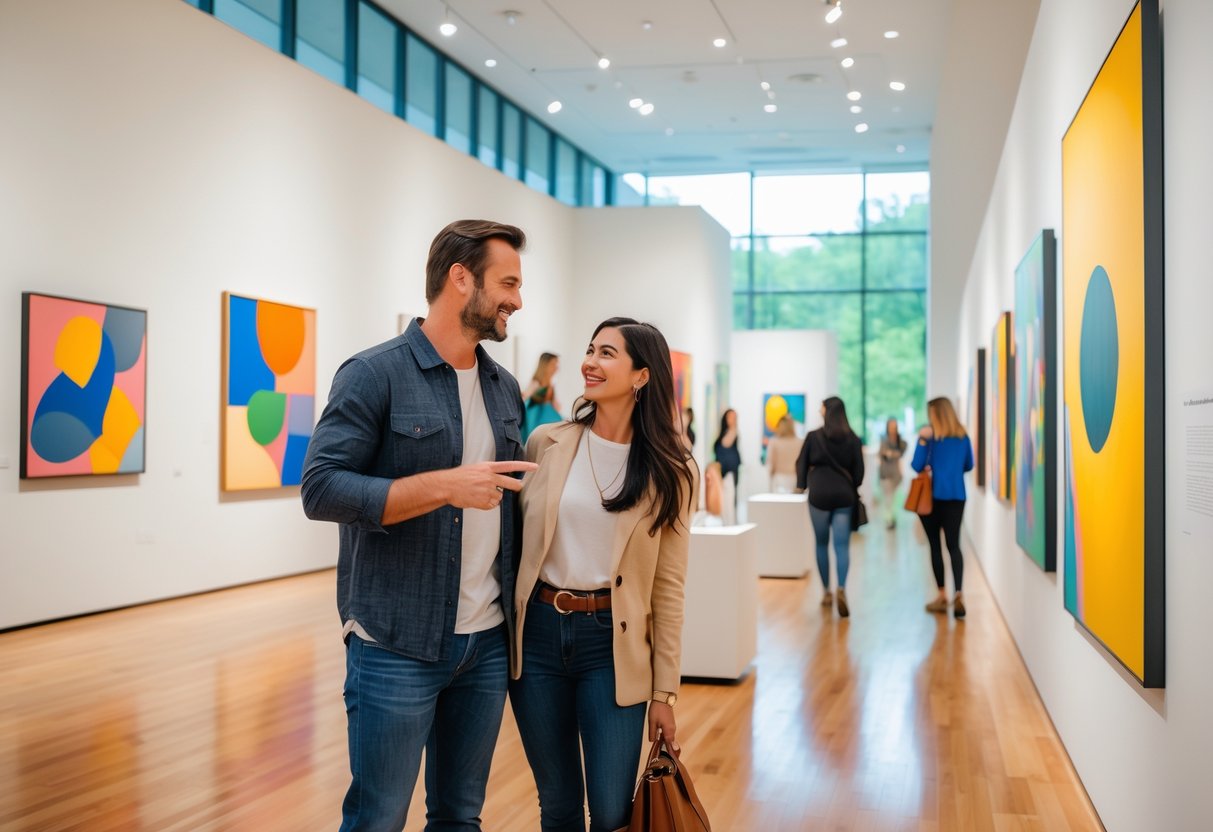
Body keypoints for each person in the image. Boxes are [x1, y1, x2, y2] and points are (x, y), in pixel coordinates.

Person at [300, 219, 538, 832]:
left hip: (484, 644)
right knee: (378, 817)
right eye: (507, 282)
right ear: (461, 279)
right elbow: (321, 488)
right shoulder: (373, 373)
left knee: (460, 817)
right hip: (394, 643)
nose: (517, 298)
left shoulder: (504, 388)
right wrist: (444, 486)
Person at [510, 317, 698, 832]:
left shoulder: (672, 470)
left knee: (613, 811)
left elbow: (670, 589)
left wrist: (665, 694)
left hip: (611, 648)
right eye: (590, 350)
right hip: (540, 637)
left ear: (641, 375)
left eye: (607, 354)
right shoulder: (546, 442)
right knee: (559, 805)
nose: (590, 363)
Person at [795, 396, 864, 618]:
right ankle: (841, 588)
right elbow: (859, 473)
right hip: (844, 497)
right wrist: (851, 484)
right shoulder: (853, 438)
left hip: (819, 496)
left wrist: (802, 485)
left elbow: (801, 463)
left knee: (821, 544)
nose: (819, 410)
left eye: (821, 407)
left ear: (827, 411)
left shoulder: (814, 437)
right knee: (842, 546)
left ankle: (826, 592)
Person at [912, 397, 975, 620]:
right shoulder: (963, 438)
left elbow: (916, 466)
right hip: (957, 497)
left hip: (933, 499)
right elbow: (969, 465)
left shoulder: (931, 439)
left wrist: (921, 440)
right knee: (953, 546)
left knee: (935, 547)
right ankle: (959, 593)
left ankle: (942, 595)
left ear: (937, 415)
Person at [521, 352, 562, 442]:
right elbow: (524, 397)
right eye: (553, 364)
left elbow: (556, 407)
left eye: (557, 364)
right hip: (535, 421)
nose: (556, 367)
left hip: (547, 419)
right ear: (545, 365)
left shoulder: (551, 386)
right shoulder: (536, 383)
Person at [878, 418, 907, 529]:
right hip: (885, 473)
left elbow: (899, 453)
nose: (893, 429)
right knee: (888, 498)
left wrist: (891, 453)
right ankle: (889, 520)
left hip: (896, 474)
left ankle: (892, 518)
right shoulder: (884, 439)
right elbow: (883, 453)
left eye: (894, 426)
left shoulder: (901, 441)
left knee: (894, 498)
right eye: (891, 426)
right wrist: (892, 453)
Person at [712, 408, 741, 511]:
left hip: (730, 472)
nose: (733, 419)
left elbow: (726, 444)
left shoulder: (733, 432)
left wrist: (734, 426)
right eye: (730, 417)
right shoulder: (724, 433)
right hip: (721, 472)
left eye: (734, 417)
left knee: (729, 501)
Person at [766, 414, 802, 493]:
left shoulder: (774, 442)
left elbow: (771, 464)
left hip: (779, 479)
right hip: (795, 480)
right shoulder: (800, 442)